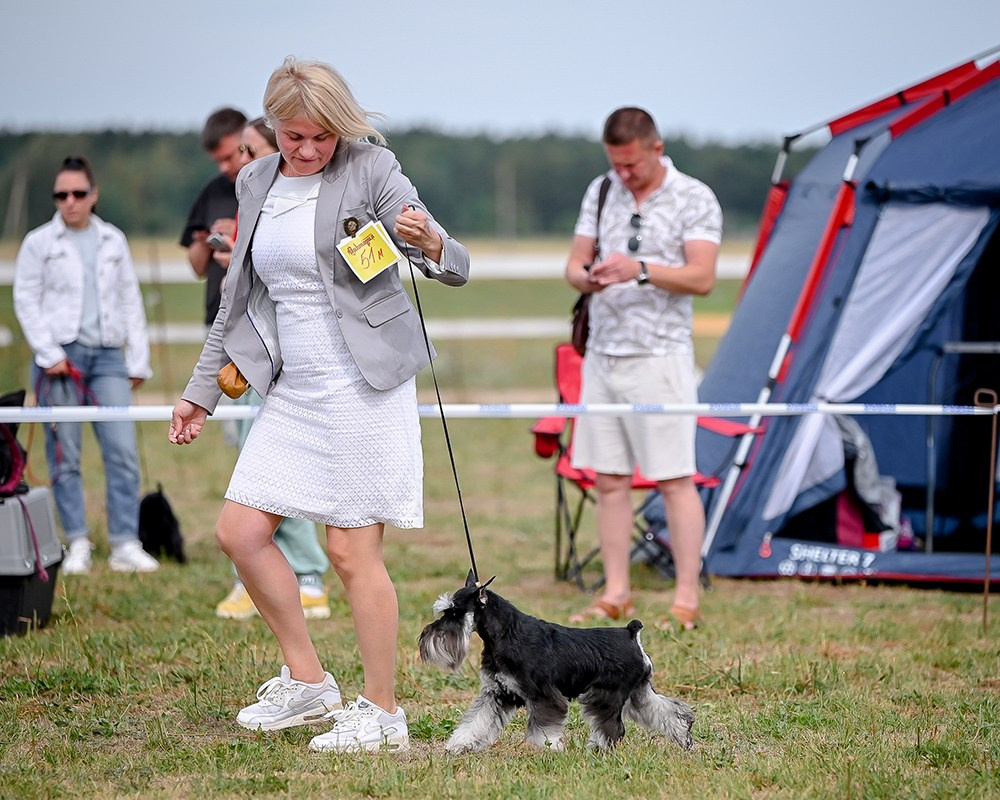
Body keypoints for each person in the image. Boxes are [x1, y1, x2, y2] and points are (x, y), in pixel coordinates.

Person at [168, 57, 470, 753]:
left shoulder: (372, 169)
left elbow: (449, 260)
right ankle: (308, 682)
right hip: (292, 387)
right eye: (294, 136)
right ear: (271, 127)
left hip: (365, 385)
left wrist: (431, 244)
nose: (308, 150)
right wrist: (199, 392)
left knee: (349, 551)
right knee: (240, 532)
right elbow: (235, 299)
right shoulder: (254, 180)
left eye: (322, 137)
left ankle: (382, 713)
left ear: (342, 127)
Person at [564, 107, 721, 631]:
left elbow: (702, 277)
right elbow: (573, 265)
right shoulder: (601, 189)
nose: (623, 173)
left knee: (674, 478)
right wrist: (589, 277)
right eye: (616, 163)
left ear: (657, 149)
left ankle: (686, 598)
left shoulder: (694, 196)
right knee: (609, 479)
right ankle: (616, 593)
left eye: (631, 164)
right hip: (603, 353)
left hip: (661, 356)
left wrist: (641, 270)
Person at [212, 116, 334, 622]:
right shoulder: (254, 197)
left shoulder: (302, 199)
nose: (241, 161)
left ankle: (306, 573)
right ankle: (268, 577)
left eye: (249, 150)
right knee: (258, 481)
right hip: (253, 358)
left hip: (292, 365)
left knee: (279, 479)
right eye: (238, 152)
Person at [13, 155, 158, 575]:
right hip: (60, 359)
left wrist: (138, 359)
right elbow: (25, 299)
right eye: (61, 195)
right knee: (66, 455)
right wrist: (49, 353)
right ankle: (76, 541)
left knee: (123, 451)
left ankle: (125, 543)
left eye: (78, 193)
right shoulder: (38, 242)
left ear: (94, 194)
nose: (70, 201)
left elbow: (130, 299)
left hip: (109, 357)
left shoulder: (113, 239)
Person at [179, 107, 246, 327]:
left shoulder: (271, 186)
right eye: (217, 161)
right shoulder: (212, 191)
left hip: (254, 316)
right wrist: (207, 241)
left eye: (228, 157)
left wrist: (238, 232)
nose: (223, 167)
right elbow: (198, 268)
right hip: (216, 317)